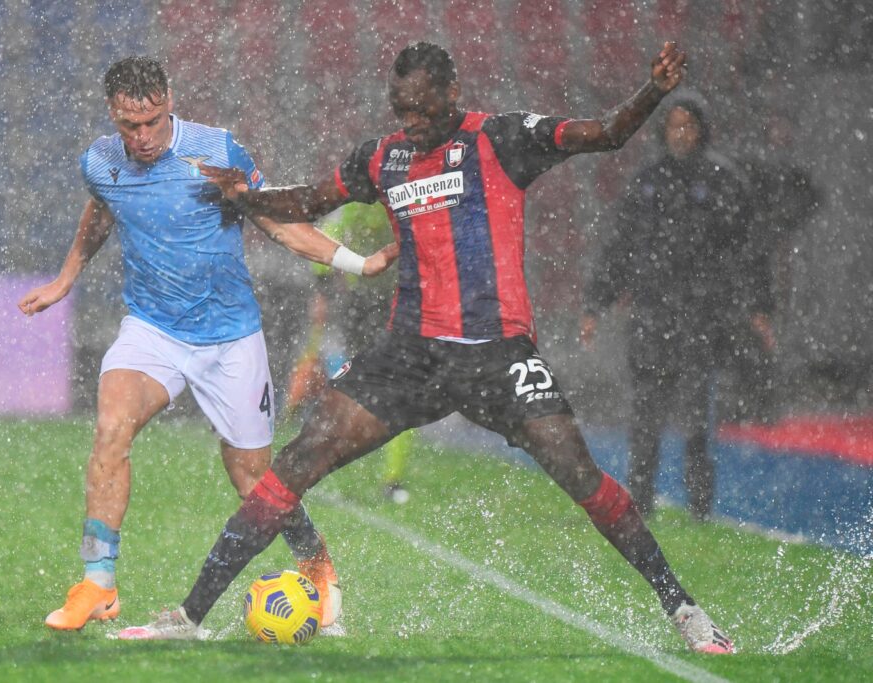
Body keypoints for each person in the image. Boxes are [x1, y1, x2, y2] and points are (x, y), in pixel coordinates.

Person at [116, 41, 735, 655]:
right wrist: (246, 197)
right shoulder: (383, 157)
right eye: (400, 110)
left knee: (581, 475)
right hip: (410, 356)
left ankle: (685, 611)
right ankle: (189, 614)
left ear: (451, 93)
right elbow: (310, 201)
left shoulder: (502, 137)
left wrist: (654, 91)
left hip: (497, 353)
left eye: (421, 108)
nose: (410, 122)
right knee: (298, 460)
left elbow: (606, 133)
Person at [17, 56, 397, 632]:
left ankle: (318, 566)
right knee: (112, 429)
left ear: (170, 102)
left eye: (151, 122)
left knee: (253, 480)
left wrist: (357, 262)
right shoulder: (100, 162)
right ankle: (98, 582)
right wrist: (65, 278)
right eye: (128, 125)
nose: (141, 137)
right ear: (112, 115)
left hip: (229, 340)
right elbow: (102, 211)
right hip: (152, 330)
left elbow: (275, 221)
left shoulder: (216, 152)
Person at [581, 92, 773, 521]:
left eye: (688, 126)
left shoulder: (723, 180)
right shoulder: (647, 181)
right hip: (651, 315)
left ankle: (700, 506)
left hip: (702, 317)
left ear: (701, 130)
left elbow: (749, 248)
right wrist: (596, 304)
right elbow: (620, 247)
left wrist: (759, 306)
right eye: (673, 126)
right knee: (645, 415)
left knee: (696, 417)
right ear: (662, 131)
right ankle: (640, 501)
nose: (681, 134)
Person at [284, 202, 415, 503]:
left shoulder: (359, 200)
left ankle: (321, 455)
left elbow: (326, 240)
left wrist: (324, 290)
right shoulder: (399, 199)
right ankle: (391, 477)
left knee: (368, 384)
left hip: (368, 303)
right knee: (397, 388)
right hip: (390, 302)